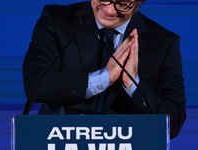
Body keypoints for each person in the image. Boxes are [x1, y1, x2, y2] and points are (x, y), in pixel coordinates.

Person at [23, 0, 186, 139]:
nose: (108, 10)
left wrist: (133, 84)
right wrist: (105, 77)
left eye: (122, 4)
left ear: (138, 3)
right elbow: (36, 86)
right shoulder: (56, 20)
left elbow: (172, 124)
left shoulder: (163, 43)